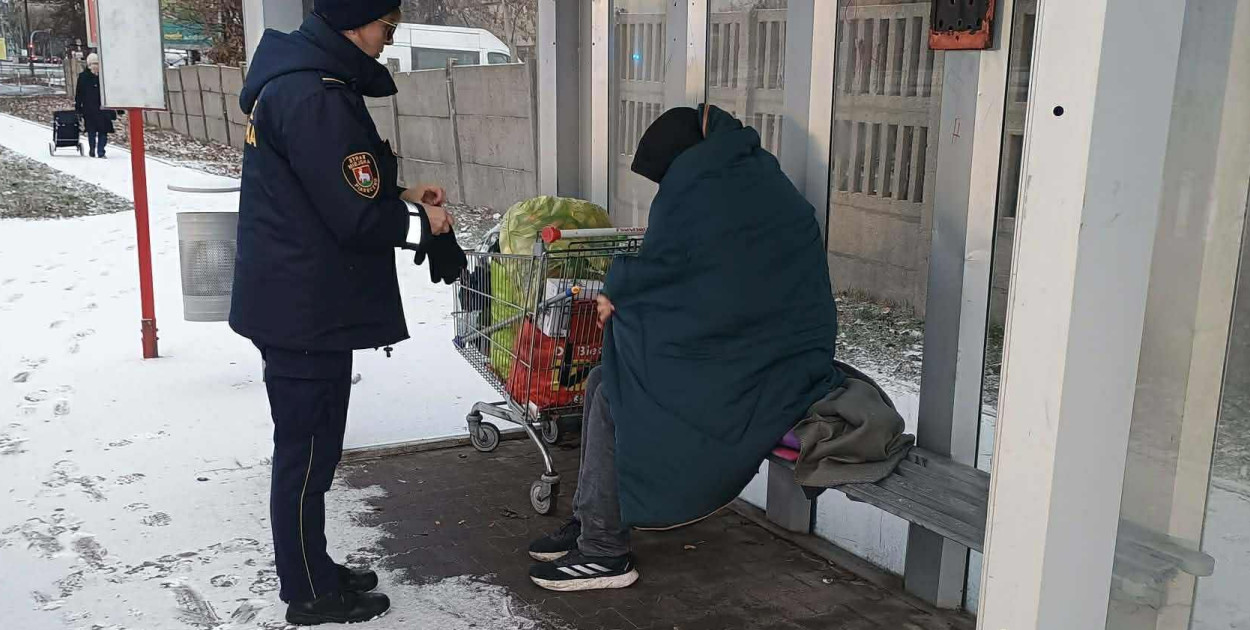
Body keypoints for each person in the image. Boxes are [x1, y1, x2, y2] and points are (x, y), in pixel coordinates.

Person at [527, 105, 841, 591]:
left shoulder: (707, 188)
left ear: (681, 164)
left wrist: (620, 290)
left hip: (768, 367)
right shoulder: (745, 174)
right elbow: (709, 277)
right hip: (763, 348)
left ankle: (605, 551)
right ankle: (597, 519)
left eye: (664, 178)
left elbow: (672, 269)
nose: (665, 189)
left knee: (617, 393)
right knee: (602, 380)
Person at [230, 0, 463, 624]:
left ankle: (313, 565)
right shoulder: (313, 95)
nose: (389, 39)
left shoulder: (307, 80)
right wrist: (425, 223)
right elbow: (353, 212)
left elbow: (339, 181)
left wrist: (404, 193)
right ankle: (308, 594)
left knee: (316, 451)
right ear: (355, 22)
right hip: (302, 309)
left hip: (303, 303)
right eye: (387, 26)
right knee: (305, 456)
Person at [75, 53, 116, 159]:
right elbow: (79, 94)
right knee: (98, 131)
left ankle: (96, 150)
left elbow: (79, 95)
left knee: (97, 131)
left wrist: (78, 109)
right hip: (96, 109)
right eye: (94, 64)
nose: (96, 66)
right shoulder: (93, 77)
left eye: (97, 64)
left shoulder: (89, 77)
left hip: (95, 109)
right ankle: (97, 150)